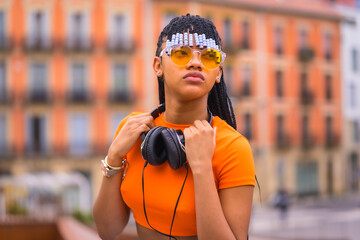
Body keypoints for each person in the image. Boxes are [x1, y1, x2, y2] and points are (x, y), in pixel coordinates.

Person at [93, 14, 256, 240]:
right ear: (158, 66)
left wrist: (201, 169)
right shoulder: (133, 131)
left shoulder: (233, 148)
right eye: (181, 53)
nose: (196, 62)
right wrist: (113, 157)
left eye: (209, 56)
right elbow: (107, 230)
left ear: (218, 72)